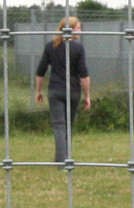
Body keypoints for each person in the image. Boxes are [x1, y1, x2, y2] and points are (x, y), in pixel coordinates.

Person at [33, 16, 92, 163]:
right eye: (78, 27)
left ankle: (61, 159)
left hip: (55, 91)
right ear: (71, 29)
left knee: (59, 125)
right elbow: (84, 75)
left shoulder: (51, 46)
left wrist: (38, 91)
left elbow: (40, 71)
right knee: (68, 126)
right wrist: (87, 95)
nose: (80, 30)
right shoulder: (78, 48)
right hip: (73, 91)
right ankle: (65, 158)